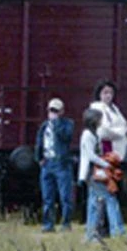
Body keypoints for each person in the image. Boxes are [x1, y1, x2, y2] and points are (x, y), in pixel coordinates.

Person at [78, 108, 124, 242]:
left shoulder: (95, 133)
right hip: (93, 170)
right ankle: (117, 230)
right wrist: (106, 164)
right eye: (99, 118)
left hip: (96, 169)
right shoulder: (87, 135)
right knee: (110, 197)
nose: (101, 121)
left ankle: (91, 233)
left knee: (94, 202)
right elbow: (91, 155)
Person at [34, 98, 75, 233]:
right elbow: (39, 141)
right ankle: (48, 224)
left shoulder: (67, 124)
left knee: (65, 196)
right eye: (51, 110)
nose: (53, 113)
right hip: (47, 163)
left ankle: (66, 223)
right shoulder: (44, 126)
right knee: (47, 197)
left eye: (56, 111)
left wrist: (56, 123)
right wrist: (39, 158)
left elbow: (66, 137)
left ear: (62, 111)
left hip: (61, 163)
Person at [90, 79, 127, 160]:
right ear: (99, 94)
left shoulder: (114, 108)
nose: (108, 95)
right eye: (105, 93)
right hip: (108, 149)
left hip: (120, 148)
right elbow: (103, 131)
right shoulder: (97, 108)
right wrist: (123, 131)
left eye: (111, 93)